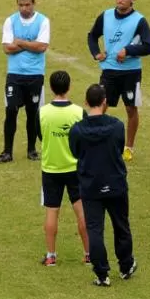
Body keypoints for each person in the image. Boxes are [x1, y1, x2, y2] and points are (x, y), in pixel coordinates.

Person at [69, 84, 136, 287]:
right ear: (105, 101)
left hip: (91, 185)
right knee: (121, 225)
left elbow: (75, 152)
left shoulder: (78, 130)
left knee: (95, 229)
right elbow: (118, 147)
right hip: (115, 183)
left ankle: (101, 272)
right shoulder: (116, 125)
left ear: (86, 102)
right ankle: (125, 266)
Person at [87, 0, 150, 161]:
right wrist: (96, 53)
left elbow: (149, 46)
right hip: (109, 70)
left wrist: (128, 50)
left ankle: (128, 147)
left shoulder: (139, 20)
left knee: (131, 109)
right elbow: (92, 35)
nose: (120, 0)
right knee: (101, 106)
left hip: (131, 72)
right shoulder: (106, 15)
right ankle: (96, 143)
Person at [38, 70, 88, 266]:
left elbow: (41, 136)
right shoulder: (78, 112)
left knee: (52, 211)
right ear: (69, 87)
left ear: (51, 88)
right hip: (75, 168)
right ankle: (88, 254)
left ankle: (51, 256)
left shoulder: (42, 112)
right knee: (82, 211)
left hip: (51, 168)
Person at [0, 0, 50, 163]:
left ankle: (31, 149)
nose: (24, 9)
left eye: (27, 5)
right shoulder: (10, 21)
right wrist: (31, 44)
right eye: (21, 5)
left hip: (35, 74)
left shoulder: (43, 21)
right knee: (11, 110)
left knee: (32, 112)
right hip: (15, 74)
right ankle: (7, 151)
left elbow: (42, 47)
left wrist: (19, 42)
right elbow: (7, 48)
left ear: (34, 3)